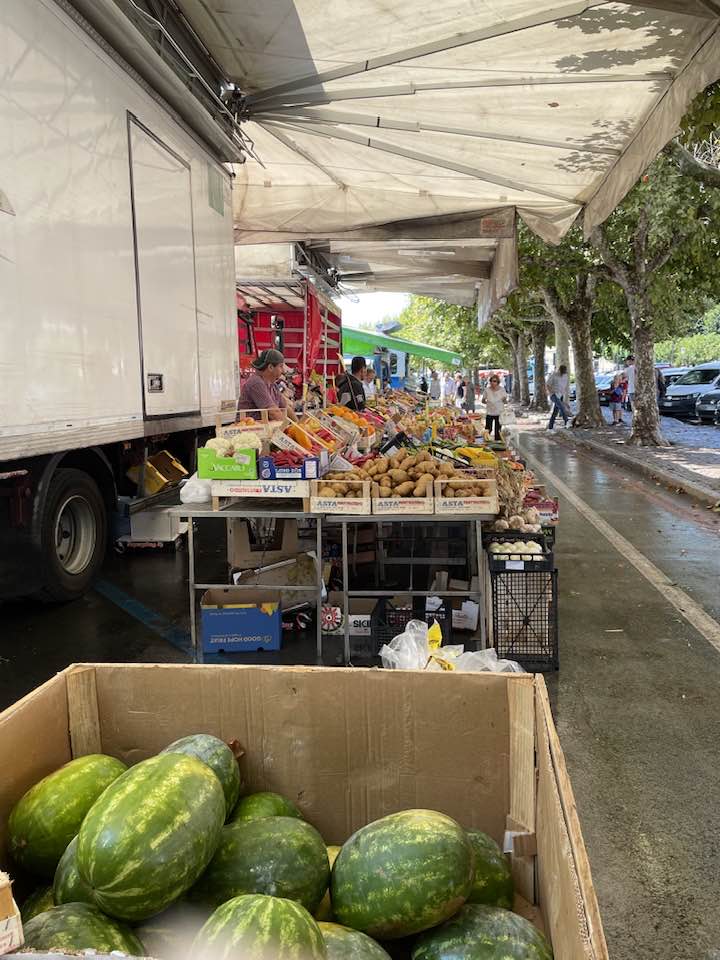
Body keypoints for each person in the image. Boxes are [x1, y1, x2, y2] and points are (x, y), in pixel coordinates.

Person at [237, 349, 297, 421]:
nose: (283, 370)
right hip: (250, 427)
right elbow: (273, 413)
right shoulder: (256, 383)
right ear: (270, 367)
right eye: (281, 366)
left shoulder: (273, 385)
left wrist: (298, 424)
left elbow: (285, 407)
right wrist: (287, 426)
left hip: (264, 427)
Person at [546, 364, 571, 430]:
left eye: (564, 372)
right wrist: (551, 392)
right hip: (554, 395)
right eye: (561, 372)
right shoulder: (553, 375)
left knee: (555, 412)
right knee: (561, 407)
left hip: (561, 395)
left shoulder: (565, 376)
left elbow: (565, 387)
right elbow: (547, 384)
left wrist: (565, 397)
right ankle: (567, 421)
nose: (562, 374)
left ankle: (550, 427)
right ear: (559, 370)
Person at [482, 374, 507, 440]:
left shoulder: (502, 390)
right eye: (491, 381)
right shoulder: (487, 390)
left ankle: (497, 443)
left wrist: (504, 401)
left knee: (498, 431)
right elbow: (483, 400)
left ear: (498, 382)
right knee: (488, 429)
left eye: (495, 381)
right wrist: (488, 403)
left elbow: (505, 400)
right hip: (489, 412)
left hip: (499, 412)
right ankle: (486, 441)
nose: (493, 383)